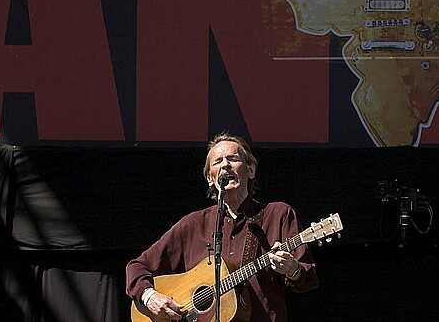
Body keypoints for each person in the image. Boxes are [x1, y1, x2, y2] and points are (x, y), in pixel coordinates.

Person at [125, 133, 318, 321]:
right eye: (217, 162)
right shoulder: (193, 224)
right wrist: (150, 297)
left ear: (251, 170)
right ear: (210, 178)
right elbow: (137, 267)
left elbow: (307, 278)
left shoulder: (278, 215)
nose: (225, 164)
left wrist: (292, 269)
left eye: (233, 159)